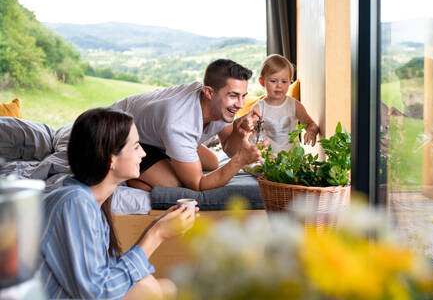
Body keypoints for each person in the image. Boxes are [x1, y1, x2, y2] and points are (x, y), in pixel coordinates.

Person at [38, 108, 197, 299]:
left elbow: (105, 275)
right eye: (137, 146)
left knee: (166, 288)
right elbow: (98, 292)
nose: (144, 154)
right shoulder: (74, 203)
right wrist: (157, 234)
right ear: (111, 158)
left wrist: (154, 227)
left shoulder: (91, 204)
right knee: (150, 289)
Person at [110, 59, 262, 192]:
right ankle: (136, 177)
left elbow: (230, 148)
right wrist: (240, 161)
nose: (240, 105)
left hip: (157, 132)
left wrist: (238, 132)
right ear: (209, 92)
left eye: (243, 96)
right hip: (121, 133)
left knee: (212, 162)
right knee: (176, 184)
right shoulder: (179, 123)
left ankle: (171, 153)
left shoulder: (220, 105)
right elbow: (198, 184)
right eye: (233, 95)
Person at [250, 54, 319, 153]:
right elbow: (249, 133)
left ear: (290, 82)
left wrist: (311, 131)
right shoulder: (258, 108)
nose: (279, 85)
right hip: (268, 160)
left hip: (293, 159)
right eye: (273, 81)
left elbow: (311, 124)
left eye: (284, 81)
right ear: (262, 82)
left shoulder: (294, 105)